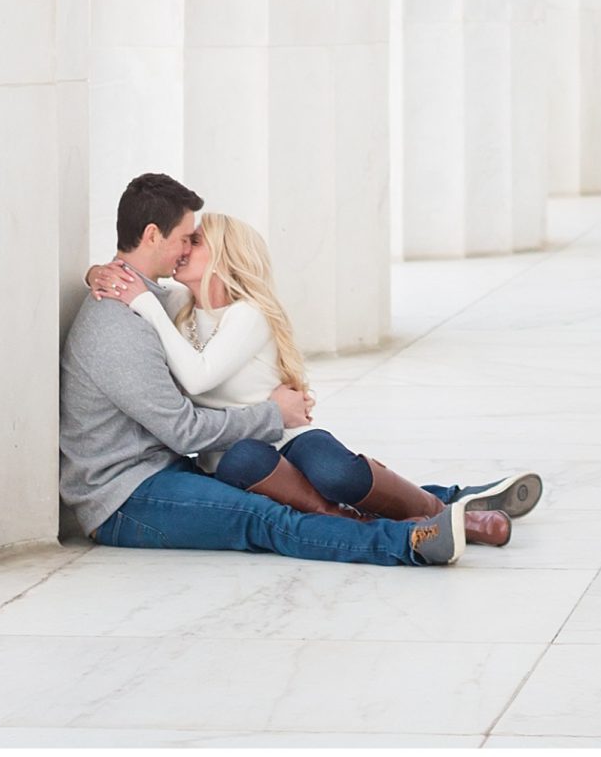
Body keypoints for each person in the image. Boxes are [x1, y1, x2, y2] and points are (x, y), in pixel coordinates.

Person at [62, 173, 467, 567]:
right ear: (152, 235)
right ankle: (408, 542)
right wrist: (273, 415)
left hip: (160, 471)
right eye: (185, 238)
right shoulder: (118, 323)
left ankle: (446, 503)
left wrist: (96, 271)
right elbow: (183, 430)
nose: (186, 249)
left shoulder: (146, 297)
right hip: (123, 497)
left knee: (306, 486)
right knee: (265, 518)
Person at [85, 209, 544, 544]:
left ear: (225, 256)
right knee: (248, 462)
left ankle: (442, 511)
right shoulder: (177, 310)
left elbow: (198, 376)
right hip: (236, 451)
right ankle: (414, 521)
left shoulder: (247, 314)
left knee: (334, 470)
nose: (183, 248)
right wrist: (98, 274)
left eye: (196, 241)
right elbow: (138, 287)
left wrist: (142, 303)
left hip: (284, 435)